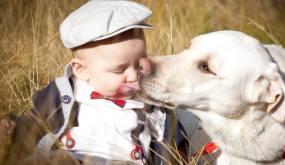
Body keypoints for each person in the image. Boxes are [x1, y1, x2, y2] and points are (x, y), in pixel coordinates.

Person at [3, 1, 187, 164]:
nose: (133, 76)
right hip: (72, 157)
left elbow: (172, 143)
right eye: (119, 70)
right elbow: (34, 124)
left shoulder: (150, 104)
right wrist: (12, 130)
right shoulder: (64, 93)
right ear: (82, 70)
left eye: (139, 65)